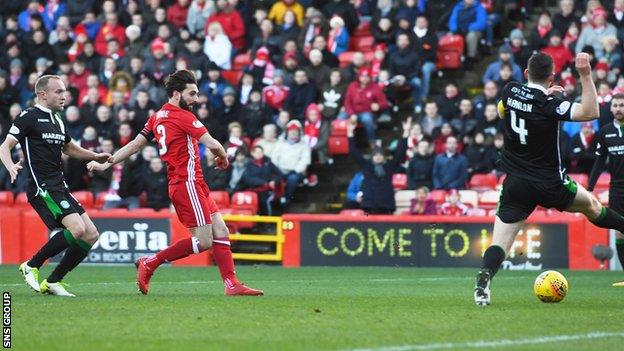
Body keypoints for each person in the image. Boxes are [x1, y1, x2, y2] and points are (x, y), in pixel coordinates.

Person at [88, 70, 262, 296]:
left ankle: (231, 284)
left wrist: (106, 164)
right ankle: (151, 262)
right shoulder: (183, 117)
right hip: (186, 183)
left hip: (193, 182)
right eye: (192, 93)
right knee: (204, 241)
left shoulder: (157, 116)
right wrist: (223, 158)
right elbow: (214, 144)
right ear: (177, 94)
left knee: (221, 230)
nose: (196, 99)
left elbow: (135, 145)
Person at [475, 52, 624, 306]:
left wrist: (537, 94)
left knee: (500, 241)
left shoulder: (510, 91)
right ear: (552, 76)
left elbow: (502, 111)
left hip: (516, 183)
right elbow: (591, 111)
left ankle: (484, 280)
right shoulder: (550, 104)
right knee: (593, 207)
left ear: (525, 74)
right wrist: (585, 75)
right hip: (550, 183)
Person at [0, 75, 111, 296]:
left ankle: (53, 281)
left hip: (59, 185)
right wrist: (10, 165)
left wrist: (95, 155)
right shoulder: (28, 117)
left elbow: (69, 148)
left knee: (91, 234)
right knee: (77, 229)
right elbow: (5, 146)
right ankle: (31, 265)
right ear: (43, 94)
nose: (64, 95)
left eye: (64, 91)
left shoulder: (58, 119)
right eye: (58, 91)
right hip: (42, 186)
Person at [588, 94, 624, 286]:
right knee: (619, 233)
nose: (618, 108)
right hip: (617, 188)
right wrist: (590, 188)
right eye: (616, 105)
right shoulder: (605, 132)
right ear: (611, 109)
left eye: (622, 105)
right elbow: (600, 161)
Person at [347, 118, 411, 214]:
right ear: (372, 157)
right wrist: (350, 133)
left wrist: (406, 132)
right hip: (369, 205)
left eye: (380, 155)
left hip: (386, 205)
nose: (378, 157)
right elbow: (354, 152)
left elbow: (400, 152)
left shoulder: (389, 166)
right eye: (375, 155)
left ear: (384, 157)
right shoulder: (367, 165)